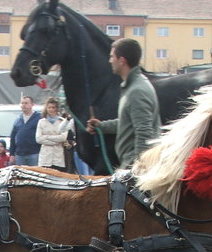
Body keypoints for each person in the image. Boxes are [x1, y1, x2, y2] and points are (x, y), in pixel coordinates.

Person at [85, 38, 160, 169]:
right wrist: (101, 126)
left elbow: (144, 134)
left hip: (134, 168)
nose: (109, 61)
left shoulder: (137, 91)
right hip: (131, 165)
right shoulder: (134, 86)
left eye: (112, 56)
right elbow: (128, 122)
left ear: (122, 60)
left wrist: (135, 172)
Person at [35, 97, 68, 171]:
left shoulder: (63, 121)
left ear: (56, 109)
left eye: (53, 107)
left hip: (58, 158)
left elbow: (63, 138)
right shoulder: (41, 122)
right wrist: (56, 139)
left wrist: (46, 137)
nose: (51, 110)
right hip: (45, 158)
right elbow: (38, 139)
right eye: (49, 107)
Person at [9, 96, 41, 166]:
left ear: (32, 104)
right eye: (22, 103)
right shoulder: (18, 119)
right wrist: (12, 154)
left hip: (34, 154)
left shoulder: (39, 118)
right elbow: (13, 138)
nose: (23, 105)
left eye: (26, 103)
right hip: (19, 155)